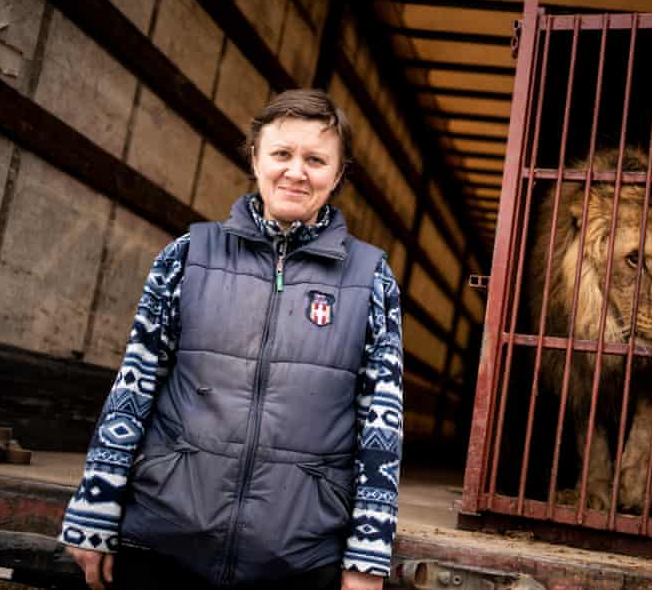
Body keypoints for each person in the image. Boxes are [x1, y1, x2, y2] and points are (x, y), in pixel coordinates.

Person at [59, 89, 403, 590]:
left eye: (315, 159)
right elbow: (132, 389)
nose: (296, 171)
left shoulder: (371, 278)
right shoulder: (187, 256)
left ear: (340, 173)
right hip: (166, 538)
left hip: (298, 557)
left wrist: (368, 553)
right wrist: (95, 504)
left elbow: (383, 419)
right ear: (255, 158)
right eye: (282, 154)